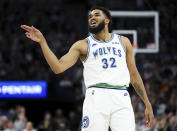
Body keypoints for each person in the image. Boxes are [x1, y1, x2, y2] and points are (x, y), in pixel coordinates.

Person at [21, 6, 154, 131]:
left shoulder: (123, 42)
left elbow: (134, 74)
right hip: (96, 97)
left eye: (97, 14)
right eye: (90, 16)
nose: (92, 17)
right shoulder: (82, 45)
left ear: (107, 20)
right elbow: (58, 67)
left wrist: (147, 103)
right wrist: (43, 42)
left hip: (121, 96)